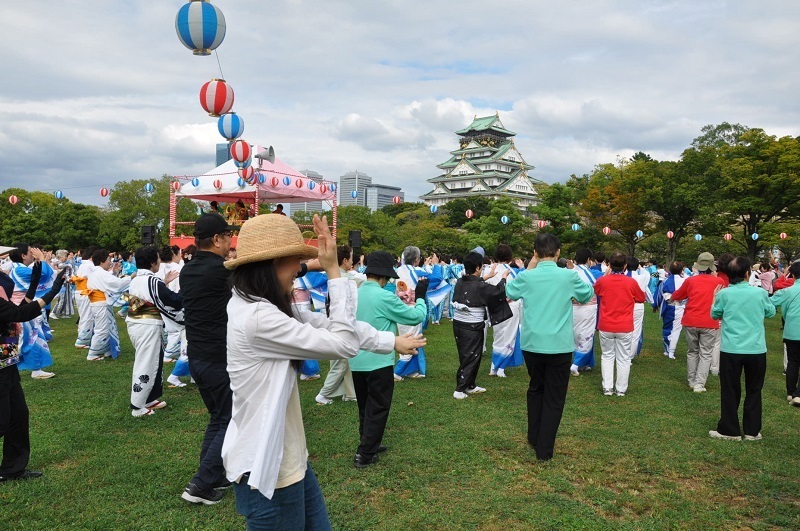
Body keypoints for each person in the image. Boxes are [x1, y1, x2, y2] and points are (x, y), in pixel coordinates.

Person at [220, 215, 423, 527]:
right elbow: (341, 342)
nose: (298, 271)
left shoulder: (259, 302)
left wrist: (390, 340)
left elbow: (329, 325)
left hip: (289, 459)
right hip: (268, 470)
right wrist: (332, 271)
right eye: (295, 262)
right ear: (273, 264)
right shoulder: (258, 318)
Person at [505, 233, 594, 461]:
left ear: (535, 253)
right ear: (558, 253)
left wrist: (531, 266)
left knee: (536, 388)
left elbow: (511, 291)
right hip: (559, 346)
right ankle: (544, 448)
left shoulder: (528, 276)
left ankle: (535, 437)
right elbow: (586, 294)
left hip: (532, 343)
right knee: (554, 396)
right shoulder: (568, 276)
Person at [179, 213, 238, 505]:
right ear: (217, 239)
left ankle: (212, 475)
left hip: (198, 356)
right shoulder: (221, 271)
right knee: (230, 417)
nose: (231, 242)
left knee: (219, 417)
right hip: (218, 357)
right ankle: (201, 484)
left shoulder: (187, 271)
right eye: (228, 236)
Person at [350, 251, 428, 468]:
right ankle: (365, 453)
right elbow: (416, 316)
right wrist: (420, 297)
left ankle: (369, 443)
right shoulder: (383, 296)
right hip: (379, 360)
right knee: (379, 407)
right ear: (384, 276)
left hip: (356, 360)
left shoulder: (355, 294)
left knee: (365, 406)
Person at [1, 249, 65, 482]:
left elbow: (17, 310)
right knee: (2, 418)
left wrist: (35, 283)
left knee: (18, 414)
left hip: (5, 353)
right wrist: (52, 292)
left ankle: (12, 469)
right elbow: (20, 313)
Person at [709, 256, 776, 441]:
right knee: (754, 390)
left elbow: (715, 314)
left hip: (731, 349)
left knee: (730, 389)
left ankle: (729, 430)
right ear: (747, 274)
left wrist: (715, 298)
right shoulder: (759, 293)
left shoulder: (724, 294)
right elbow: (770, 312)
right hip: (756, 349)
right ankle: (752, 431)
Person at [125, 246, 182, 417]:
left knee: (154, 361)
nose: (159, 261)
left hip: (136, 323)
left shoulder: (136, 279)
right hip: (147, 325)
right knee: (147, 362)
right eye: (157, 259)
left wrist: (163, 283)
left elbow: (141, 298)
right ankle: (137, 405)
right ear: (152, 262)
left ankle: (149, 398)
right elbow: (173, 301)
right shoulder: (152, 281)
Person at [451, 251, 511, 399]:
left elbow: (475, 285)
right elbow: (496, 292)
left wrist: (488, 276)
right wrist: (503, 279)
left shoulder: (460, 281)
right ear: (478, 268)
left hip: (459, 323)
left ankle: (470, 385)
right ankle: (459, 389)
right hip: (472, 326)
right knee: (471, 356)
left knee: (468, 355)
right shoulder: (479, 285)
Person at [670, 252, 725, 393]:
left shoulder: (690, 281)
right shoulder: (719, 282)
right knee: (705, 353)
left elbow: (678, 295)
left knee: (692, 351)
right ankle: (699, 384)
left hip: (691, 320)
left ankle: (691, 380)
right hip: (710, 321)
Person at [593, 252, 646, 397]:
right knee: (623, 358)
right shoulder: (631, 282)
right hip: (624, 325)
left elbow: (595, 289)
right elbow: (641, 298)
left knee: (607, 355)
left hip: (606, 325)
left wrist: (605, 276)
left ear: (609, 265)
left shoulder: (603, 281)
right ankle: (621, 389)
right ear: (625, 266)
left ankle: (608, 387)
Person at [315, 245, 362, 405]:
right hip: (338, 324)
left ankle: (349, 393)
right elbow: (363, 280)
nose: (353, 260)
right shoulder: (345, 278)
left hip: (332, 321)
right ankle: (323, 394)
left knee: (345, 360)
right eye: (351, 257)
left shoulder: (335, 275)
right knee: (340, 362)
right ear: (345, 260)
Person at [6, 246, 57, 379]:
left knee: (28, 338)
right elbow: (43, 275)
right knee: (26, 339)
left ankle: (32, 368)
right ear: (23, 255)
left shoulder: (16, 268)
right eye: (30, 252)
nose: (33, 255)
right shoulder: (19, 270)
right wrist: (41, 259)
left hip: (21, 306)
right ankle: (26, 368)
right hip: (20, 308)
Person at [394, 246, 443, 380]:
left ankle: (411, 370)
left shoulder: (398, 270)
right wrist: (436, 264)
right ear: (416, 259)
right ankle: (397, 372)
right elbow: (436, 279)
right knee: (412, 339)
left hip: (399, 308)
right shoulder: (416, 271)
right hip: (413, 309)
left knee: (407, 337)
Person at [484, 245, 523, 378]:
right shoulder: (512, 271)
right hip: (510, 306)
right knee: (509, 336)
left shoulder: (489, 270)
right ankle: (500, 368)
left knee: (498, 334)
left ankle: (494, 367)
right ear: (510, 257)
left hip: (494, 306)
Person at [85, 249, 131, 361]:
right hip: (100, 303)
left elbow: (108, 282)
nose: (110, 262)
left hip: (99, 303)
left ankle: (107, 350)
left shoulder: (97, 273)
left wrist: (114, 273)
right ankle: (93, 353)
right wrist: (131, 277)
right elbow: (117, 284)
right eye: (108, 260)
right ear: (101, 261)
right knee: (102, 329)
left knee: (107, 327)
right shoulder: (100, 273)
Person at [767, 261, 800, 406]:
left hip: (792, 330)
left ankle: (791, 392)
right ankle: (798, 394)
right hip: (792, 329)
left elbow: (770, 304)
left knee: (793, 361)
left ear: (792, 274)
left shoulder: (788, 291)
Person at [570, 248, 602, 375]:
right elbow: (600, 285)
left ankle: (587, 363)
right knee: (587, 335)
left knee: (575, 334)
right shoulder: (592, 273)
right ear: (589, 260)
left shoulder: (570, 272)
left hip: (571, 307)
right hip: (587, 308)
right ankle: (576, 364)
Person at [652, 261, 686, 360]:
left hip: (668, 307)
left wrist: (655, 305)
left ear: (670, 270)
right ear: (681, 270)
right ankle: (670, 350)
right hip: (680, 307)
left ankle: (668, 349)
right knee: (676, 329)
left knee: (667, 328)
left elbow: (658, 295)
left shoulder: (665, 282)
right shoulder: (685, 281)